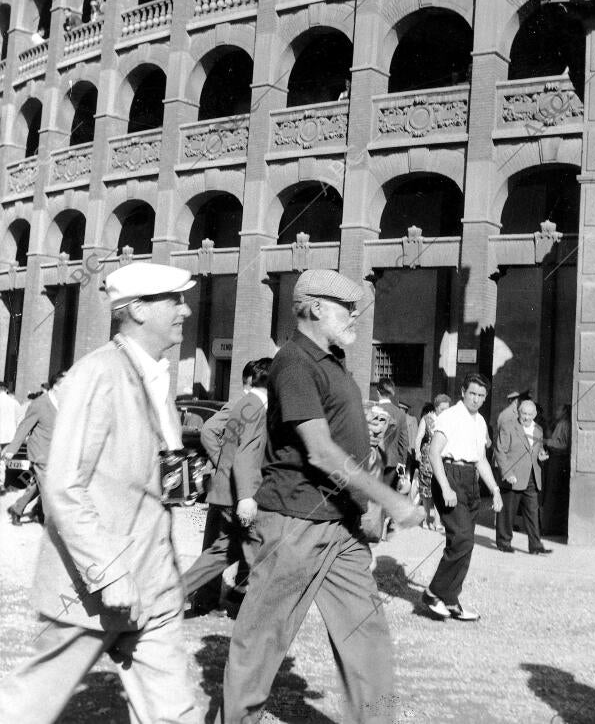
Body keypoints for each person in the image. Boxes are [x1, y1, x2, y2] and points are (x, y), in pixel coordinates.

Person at [216, 269, 424, 724]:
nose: (355, 317)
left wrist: (366, 505)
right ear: (313, 308)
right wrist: (390, 500)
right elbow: (322, 452)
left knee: (367, 640)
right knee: (261, 645)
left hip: (340, 527)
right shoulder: (293, 363)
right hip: (293, 524)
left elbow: (350, 446)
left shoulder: (332, 362)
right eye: (346, 308)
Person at [0, 262, 202, 724]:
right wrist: (109, 573)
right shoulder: (97, 375)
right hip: (92, 589)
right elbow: (64, 485)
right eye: (174, 300)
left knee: (173, 711)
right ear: (136, 311)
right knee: (29, 704)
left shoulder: (155, 375)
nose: (185, 310)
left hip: (153, 583)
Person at [183, 357, 272, 615]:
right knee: (260, 550)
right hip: (238, 493)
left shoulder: (248, 404)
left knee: (222, 551)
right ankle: (257, 613)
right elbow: (243, 451)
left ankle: (172, 594)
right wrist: (228, 469)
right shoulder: (252, 406)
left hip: (230, 491)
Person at [424, 373, 502, 622]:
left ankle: (450, 599)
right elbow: (434, 453)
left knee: (465, 545)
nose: (476, 399)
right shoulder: (451, 416)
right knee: (462, 538)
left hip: (470, 478)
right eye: (472, 394)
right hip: (449, 474)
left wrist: (496, 490)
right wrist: (445, 488)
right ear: (463, 392)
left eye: (481, 396)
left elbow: (480, 460)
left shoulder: (479, 421)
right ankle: (433, 592)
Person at [2, 370, 66, 526]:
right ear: (57, 386)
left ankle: (17, 509)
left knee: (39, 485)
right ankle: (51, 522)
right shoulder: (39, 404)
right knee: (49, 486)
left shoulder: (65, 403)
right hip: (40, 452)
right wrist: (12, 449)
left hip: (56, 453)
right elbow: (24, 427)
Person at [494, 398, 551, 554]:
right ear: (518, 412)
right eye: (523, 413)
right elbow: (500, 451)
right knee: (508, 512)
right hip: (513, 477)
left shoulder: (538, 429)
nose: (526, 417)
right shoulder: (508, 426)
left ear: (535, 414)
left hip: (532, 477)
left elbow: (537, 450)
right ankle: (504, 542)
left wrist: (541, 455)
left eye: (529, 414)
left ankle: (535, 545)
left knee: (533, 512)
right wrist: (507, 472)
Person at [415, 393, 451, 531]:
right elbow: (418, 438)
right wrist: (417, 452)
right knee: (426, 489)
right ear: (436, 408)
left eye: (447, 408)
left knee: (440, 488)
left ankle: (437, 521)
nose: (445, 412)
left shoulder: (450, 421)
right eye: (442, 409)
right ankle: (425, 518)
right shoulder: (427, 419)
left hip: (443, 457)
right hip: (428, 458)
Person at [541, 403, 571, 537]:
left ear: (564, 411)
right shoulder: (561, 423)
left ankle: (550, 528)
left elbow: (562, 444)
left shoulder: (564, 424)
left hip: (558, 461)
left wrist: (546, 442)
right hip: (557, 461)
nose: (556, 412)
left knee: (553, 494)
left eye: (559, 409)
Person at [375, 377, 409, 490]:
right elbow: (404, 443)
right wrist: (402, 467)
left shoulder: (373, 410)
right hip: (393, 463)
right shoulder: (400, 414)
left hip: (373, 461)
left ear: (377, 392)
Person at [0, 382, 23, 495]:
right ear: (6, 390)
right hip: (9, 436)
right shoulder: (14, 402)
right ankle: (2, 483)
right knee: (4, 461)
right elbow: (20, 419)